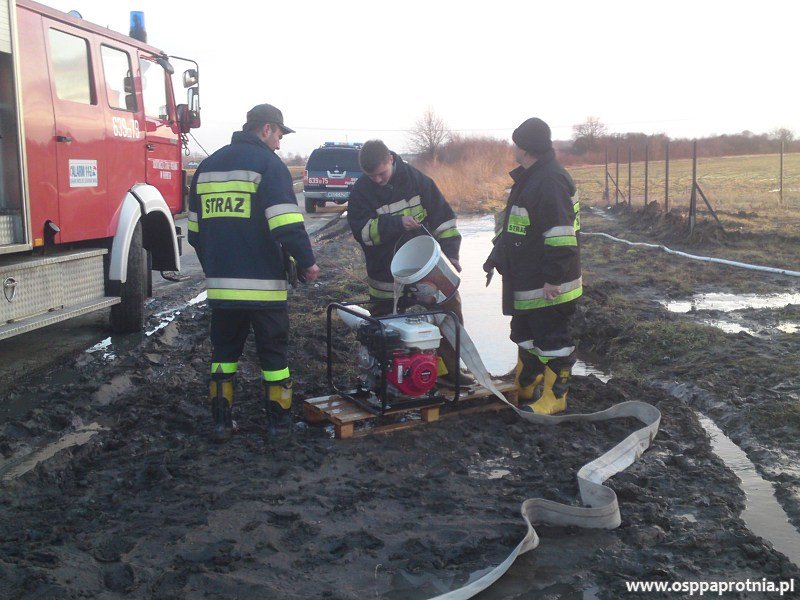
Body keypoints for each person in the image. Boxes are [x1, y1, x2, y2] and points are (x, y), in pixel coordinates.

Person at [188, 103, 320, 441]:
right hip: (264, 289)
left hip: (221, 290)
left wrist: (216, 267)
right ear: (266, 129)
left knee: (223, 356)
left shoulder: (206, 166)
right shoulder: (269, 165)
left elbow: (194, 233)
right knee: (274, 357)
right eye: (278, 135)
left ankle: (220, 424)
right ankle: (278, 426)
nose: (279, 143)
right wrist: (306, 263)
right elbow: (287, 225)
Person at [347, 140, 467, 383]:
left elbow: (445, 222)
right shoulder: (361, 192)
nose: (378, 180)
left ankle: (450, 372)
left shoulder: (418, 181)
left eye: (381, 173)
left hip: (427, 268)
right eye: (372, 176)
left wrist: (451, 255)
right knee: (383, 327)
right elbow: (363, 234)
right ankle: (387, 377)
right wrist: (396, 223)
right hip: (385, 274)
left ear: (391, 159)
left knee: (449, 313)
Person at [484, 118, 581, 415]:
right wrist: (496, 258)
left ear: (524, 148)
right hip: (527, 280)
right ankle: (526, 382)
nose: (513, 148)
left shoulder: (548, 180)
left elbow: (561, 235)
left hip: (548, 284)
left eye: (515, 143)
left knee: (552, 339)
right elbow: (515, 227)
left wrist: (553, 278)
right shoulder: (531, 176)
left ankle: (555, 397)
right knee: (525, 333)